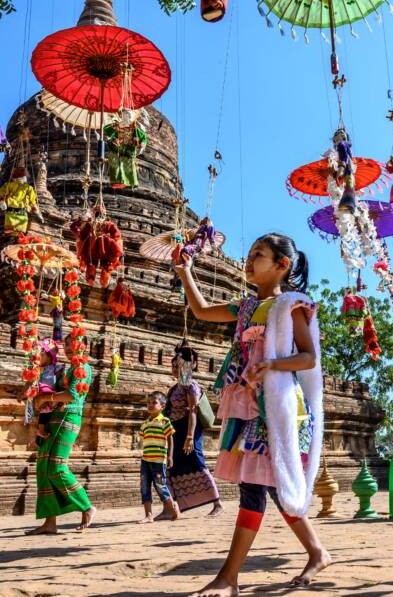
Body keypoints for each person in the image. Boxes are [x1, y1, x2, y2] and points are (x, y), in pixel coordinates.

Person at [174, 232, 330, 597]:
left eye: (258, 255)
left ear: (282, 265)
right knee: (270, 487)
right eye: (249, 254)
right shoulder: (244, 307)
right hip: (247, 405)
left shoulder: (292, 306)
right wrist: (186, 273)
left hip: (277, 410)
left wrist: (273, 363)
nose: (248, 261)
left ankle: (229, 576)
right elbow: (199, 311)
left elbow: (308, 357)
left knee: (256, 488)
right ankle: (317, 552)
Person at [26, 334, 95, 534]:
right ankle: (50, 522)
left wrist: (48, 397)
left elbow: (72, 395)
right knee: (44, 466)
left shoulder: (84, 369)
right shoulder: (67, 369)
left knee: (57, 466)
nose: (68, 349)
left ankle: (86, 506)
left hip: (69, 417)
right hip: (54, 420)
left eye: (73, 345)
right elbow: (51, 394)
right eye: (65, 345)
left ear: (84, 347)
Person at [165, 345, 223, 517]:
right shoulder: (175, 388)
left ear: (188, 366)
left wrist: (190, 437)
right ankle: (173, 506)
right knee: (173, 466)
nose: (175, 369)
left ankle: (217, 503)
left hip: (189, 428)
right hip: (176, 430)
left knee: (197, 462)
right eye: (173, 366)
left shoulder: (191, 385)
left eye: (179, 366)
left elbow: (192, 411)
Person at [139, 391, 179, 523]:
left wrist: (170, 456)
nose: (150, 405)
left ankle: (171, 509)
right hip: (145, 460)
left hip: (158, 460)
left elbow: (170, 439)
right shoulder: (145, 423)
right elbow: (143, 439)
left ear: (162, 406)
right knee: (144, 486)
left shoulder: (164, 421)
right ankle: (148, 515)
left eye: (154, 402)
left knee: (160, 485)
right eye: (148, 403)